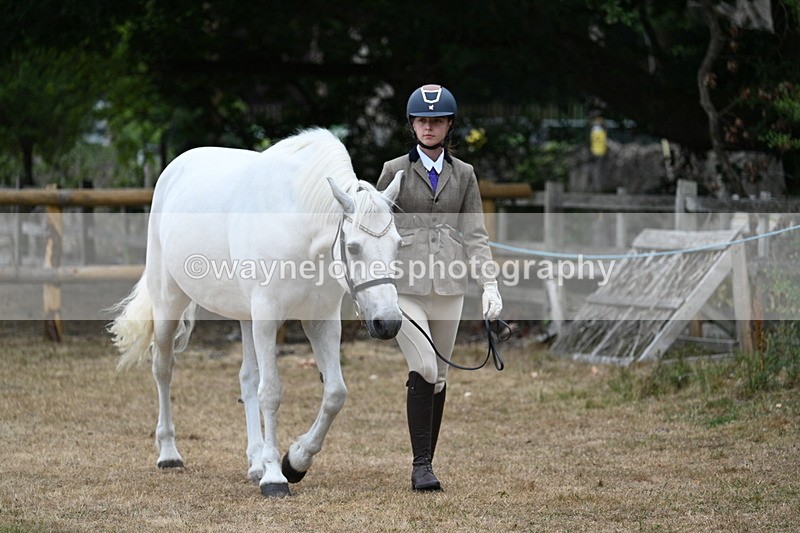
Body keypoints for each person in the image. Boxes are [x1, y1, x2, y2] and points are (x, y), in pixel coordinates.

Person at [376, 84, 502, 492]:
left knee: (442, 376)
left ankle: (427, 463)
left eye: (436, 121)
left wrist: (489, 284)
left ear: (449, 125)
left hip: (449, 286)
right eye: (421, 120)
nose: (428, 127)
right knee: (425, 368)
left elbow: (476, 235)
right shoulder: (394, 170)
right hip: (405, 287)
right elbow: (374, 228)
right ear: (412, 125)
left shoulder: (464, 174)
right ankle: (420, 466)